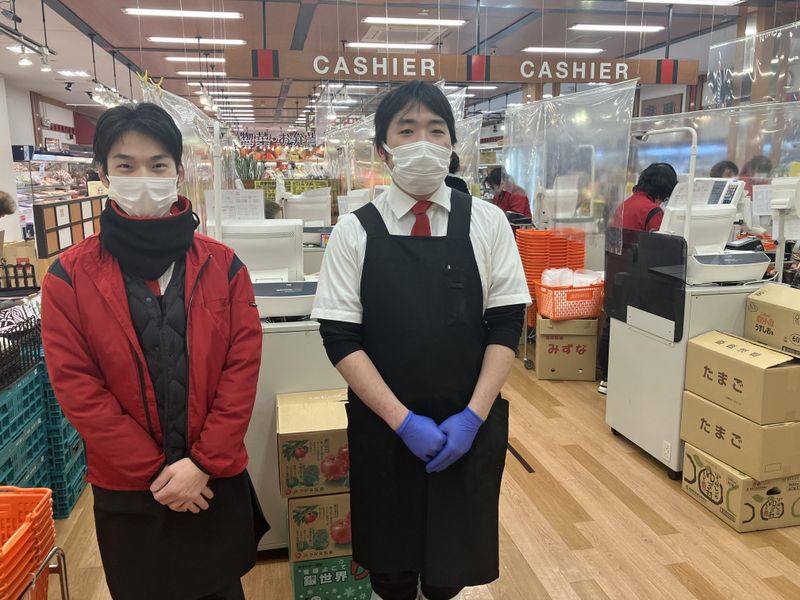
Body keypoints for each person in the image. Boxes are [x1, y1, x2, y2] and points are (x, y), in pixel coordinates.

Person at [311, 81, 530, 600]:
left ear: (452, 144)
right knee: (390, 570)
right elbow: (340, 336)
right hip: (385, 428)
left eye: (436, 130)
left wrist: (473, 417)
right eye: (406, 131)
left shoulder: (488, 222)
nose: (423, 143)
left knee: (448, 572)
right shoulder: (354, 231)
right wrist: (403, 421)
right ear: (382, 149)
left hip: (464, 425)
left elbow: (506, 323)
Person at [40, 102, 268, 600]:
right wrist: (157, 473)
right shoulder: (69, 277)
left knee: (222, 588)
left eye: (158, 165)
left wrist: (201, 463)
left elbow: (242, 367)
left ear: (178, 172)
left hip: (212, 477)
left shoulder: (223, 266)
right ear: (103, 174)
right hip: (131, 487)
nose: (143, 178)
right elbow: (77, 386)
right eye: (126, 166)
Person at [599, 162, 678, 395]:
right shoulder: (653, 212)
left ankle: (607, 378)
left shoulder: (624, 205)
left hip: (616, 273)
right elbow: (663, 248)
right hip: (638, 280)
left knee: (613, 324)